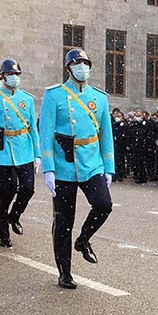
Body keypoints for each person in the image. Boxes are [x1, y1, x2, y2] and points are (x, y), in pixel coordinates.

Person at [40, 49, 115, 288]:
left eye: (86, 63)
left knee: (104, 205)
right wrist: (49, 168)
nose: (83, 67)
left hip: (92, 163)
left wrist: (109, 167)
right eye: (77, 63)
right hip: (64, 165)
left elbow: (106, 136)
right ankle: (65, 271)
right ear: (68, 68)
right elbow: (46, 134)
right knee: (63, 221)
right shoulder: (54, 96)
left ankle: (83, 239)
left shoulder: (99, 98)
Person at [0, 59, 39, 248]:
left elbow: (33, 129)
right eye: (9, 75)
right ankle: (4, 234)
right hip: (2, 151)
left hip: (24, 150)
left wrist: (37, 154)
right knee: (4, 193)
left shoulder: (27, 99)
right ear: (3, 76)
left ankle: (13, 216)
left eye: (16, 74)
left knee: (28, 188)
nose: (13, 78)